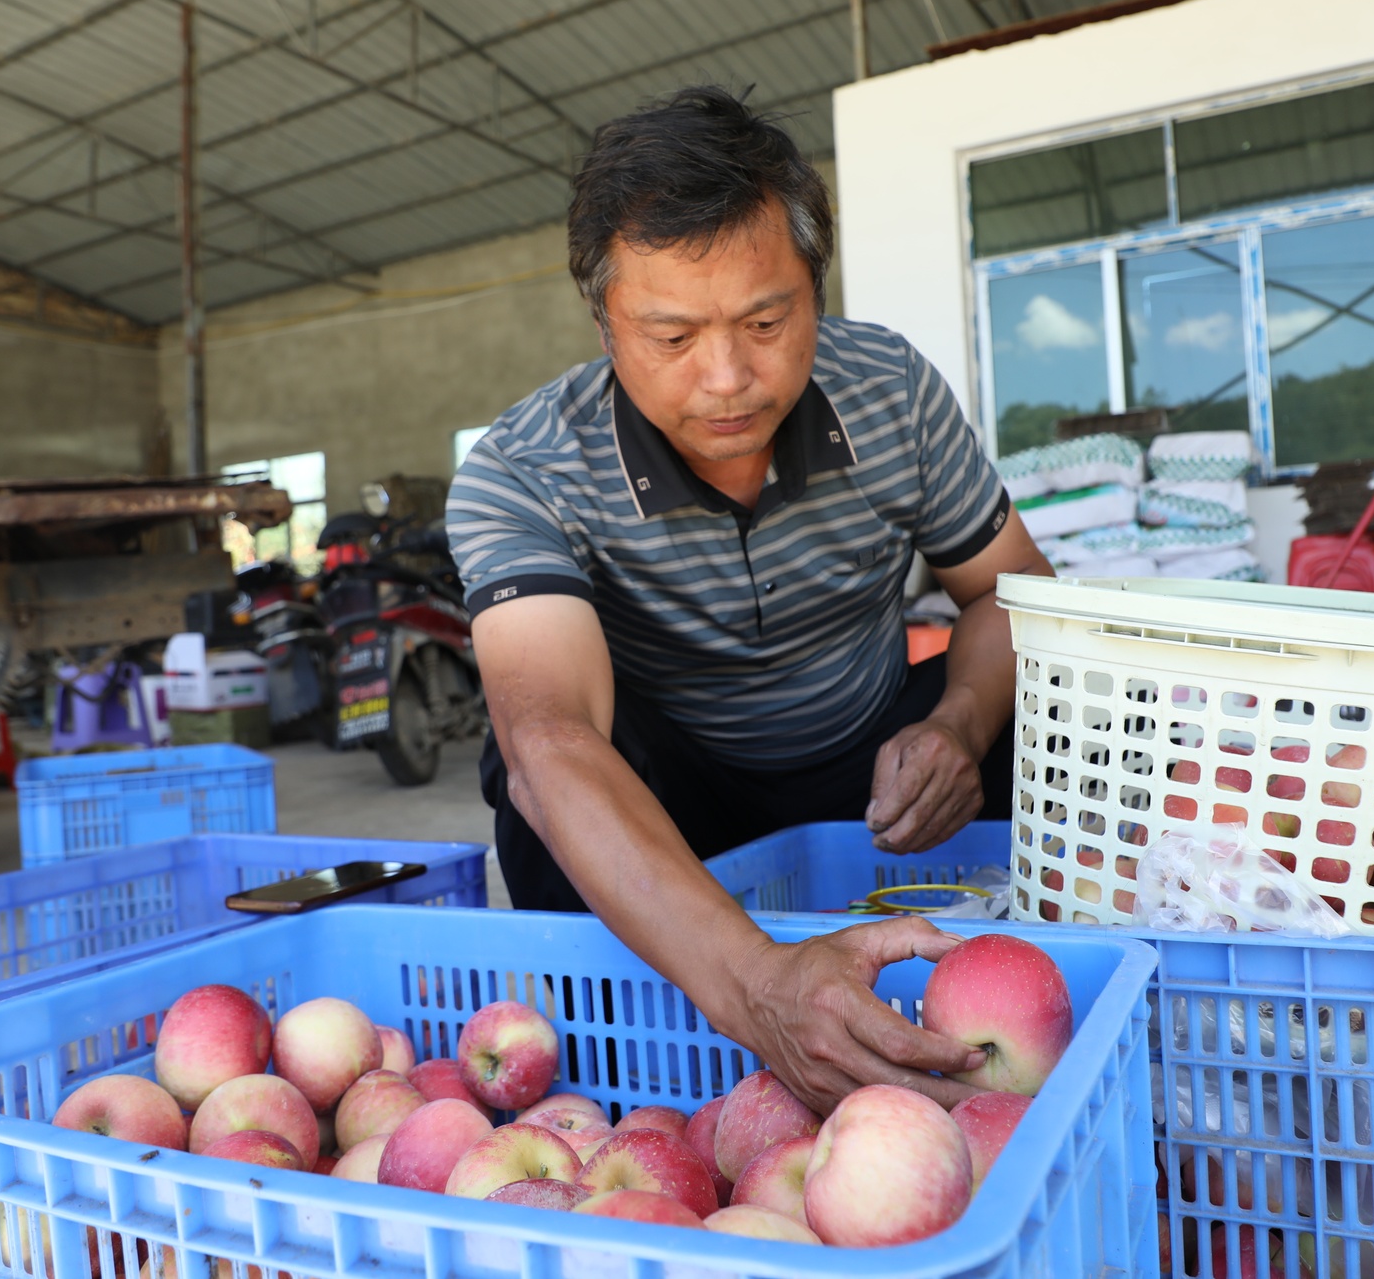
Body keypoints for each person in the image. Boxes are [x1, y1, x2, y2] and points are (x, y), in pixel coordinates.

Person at [446, 86, 1051, 1114]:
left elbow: (1012, 594)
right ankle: (639, 1077)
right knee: (531, 775)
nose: (727, 377)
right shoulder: (524, 469)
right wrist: (757, 985)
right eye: (672, 338)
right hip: (676, 798)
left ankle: (1012, 1016)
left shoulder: (888, 391)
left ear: (815, 288)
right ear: (604, 322)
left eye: (766, 320)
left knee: (1036, 700)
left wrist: (955, 723)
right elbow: (550, 740)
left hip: (876, 765)